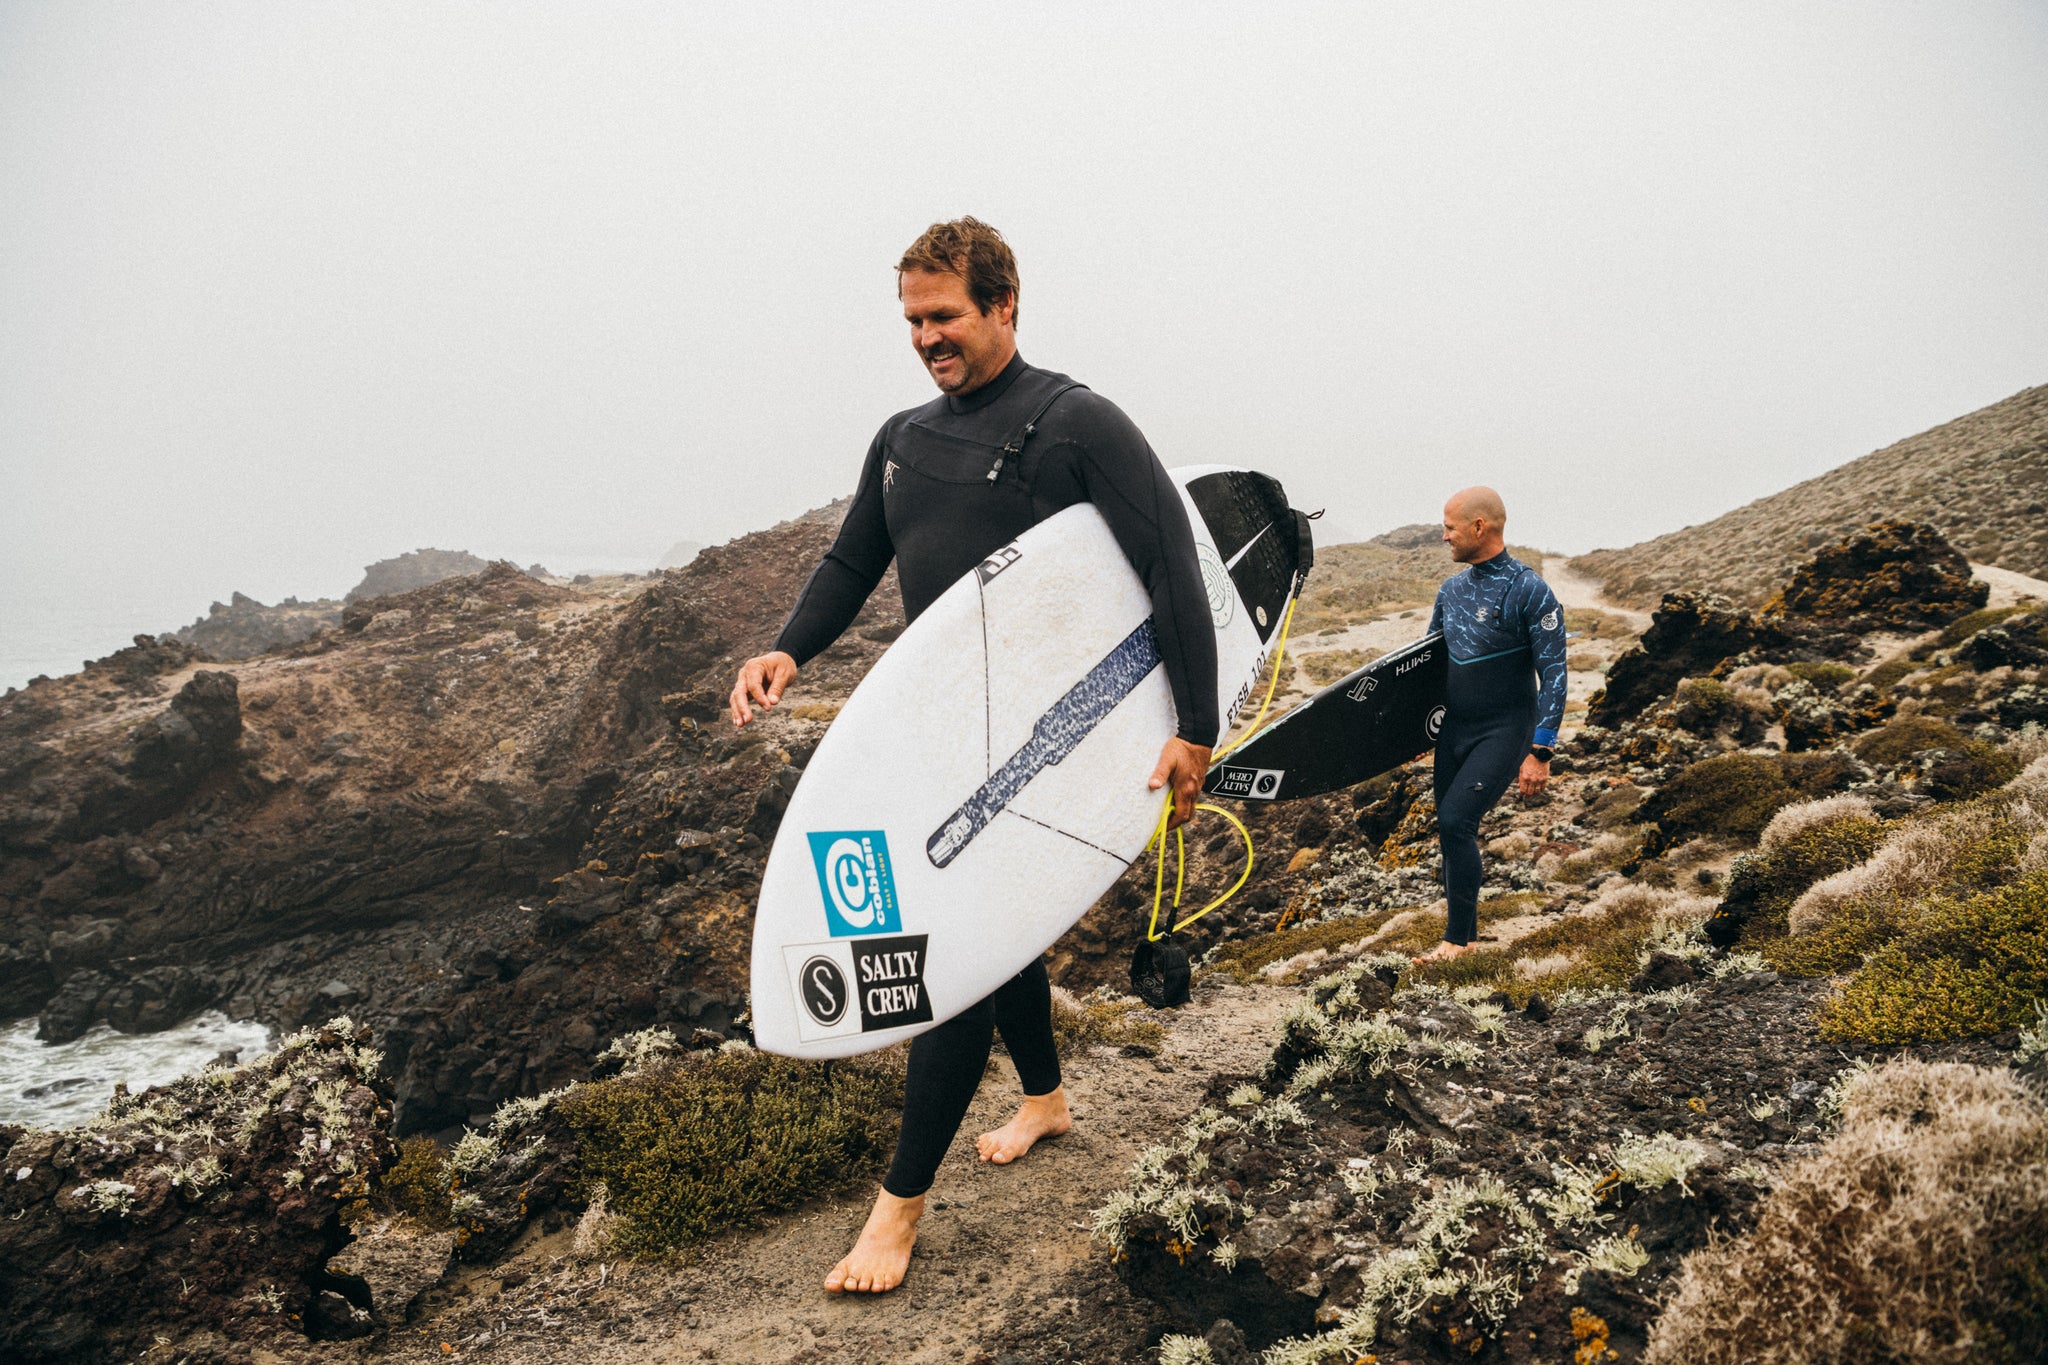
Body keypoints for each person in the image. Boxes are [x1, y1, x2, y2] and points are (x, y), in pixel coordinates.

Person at [728, 217, 1219, 1294]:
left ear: (1003, 306)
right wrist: (787, 649)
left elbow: (1168, 564)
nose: (924, 338)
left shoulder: (1074, 423)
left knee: (947, 959)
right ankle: (1044, 1097)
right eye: (910, 319)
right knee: (992, 933)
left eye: (943, 316)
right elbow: (859, 552)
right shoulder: (902, 436)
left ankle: (896, 1213)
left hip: (1054, 738)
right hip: (947, 734)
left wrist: (1193, 728)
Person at [1411, 486, 1567, 965]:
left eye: (1450, 527)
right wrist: (1414, 731)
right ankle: (1463, 938)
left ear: (1480, 527)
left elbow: (1555, 674)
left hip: (1506, 727)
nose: (1444, 536)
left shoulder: (1529, 589)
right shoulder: (1452, 590)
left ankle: (1457, 942)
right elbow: (1429, 666)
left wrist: (1540, 752)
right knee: (1450, 827)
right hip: (1455, 730)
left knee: (1458, 820)